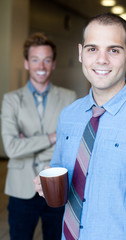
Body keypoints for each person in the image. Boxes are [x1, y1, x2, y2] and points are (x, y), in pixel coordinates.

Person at [34, 13, 126, 239]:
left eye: (113, 50)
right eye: (93, 49)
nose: (102, 60)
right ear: (81, 53)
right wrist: (46, 185)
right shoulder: (69, 116)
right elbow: (61, 172)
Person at [1, 32, 77, 240]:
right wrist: (53, 137)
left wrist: (28, 142)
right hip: (21, 187)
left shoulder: (69, 97)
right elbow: (12, 148)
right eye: (35, 60)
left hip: (57, 185)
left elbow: (71, 142)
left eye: (47, 60)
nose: (41, 66)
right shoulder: (11, 100)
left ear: (53, 64)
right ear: (26, 63)